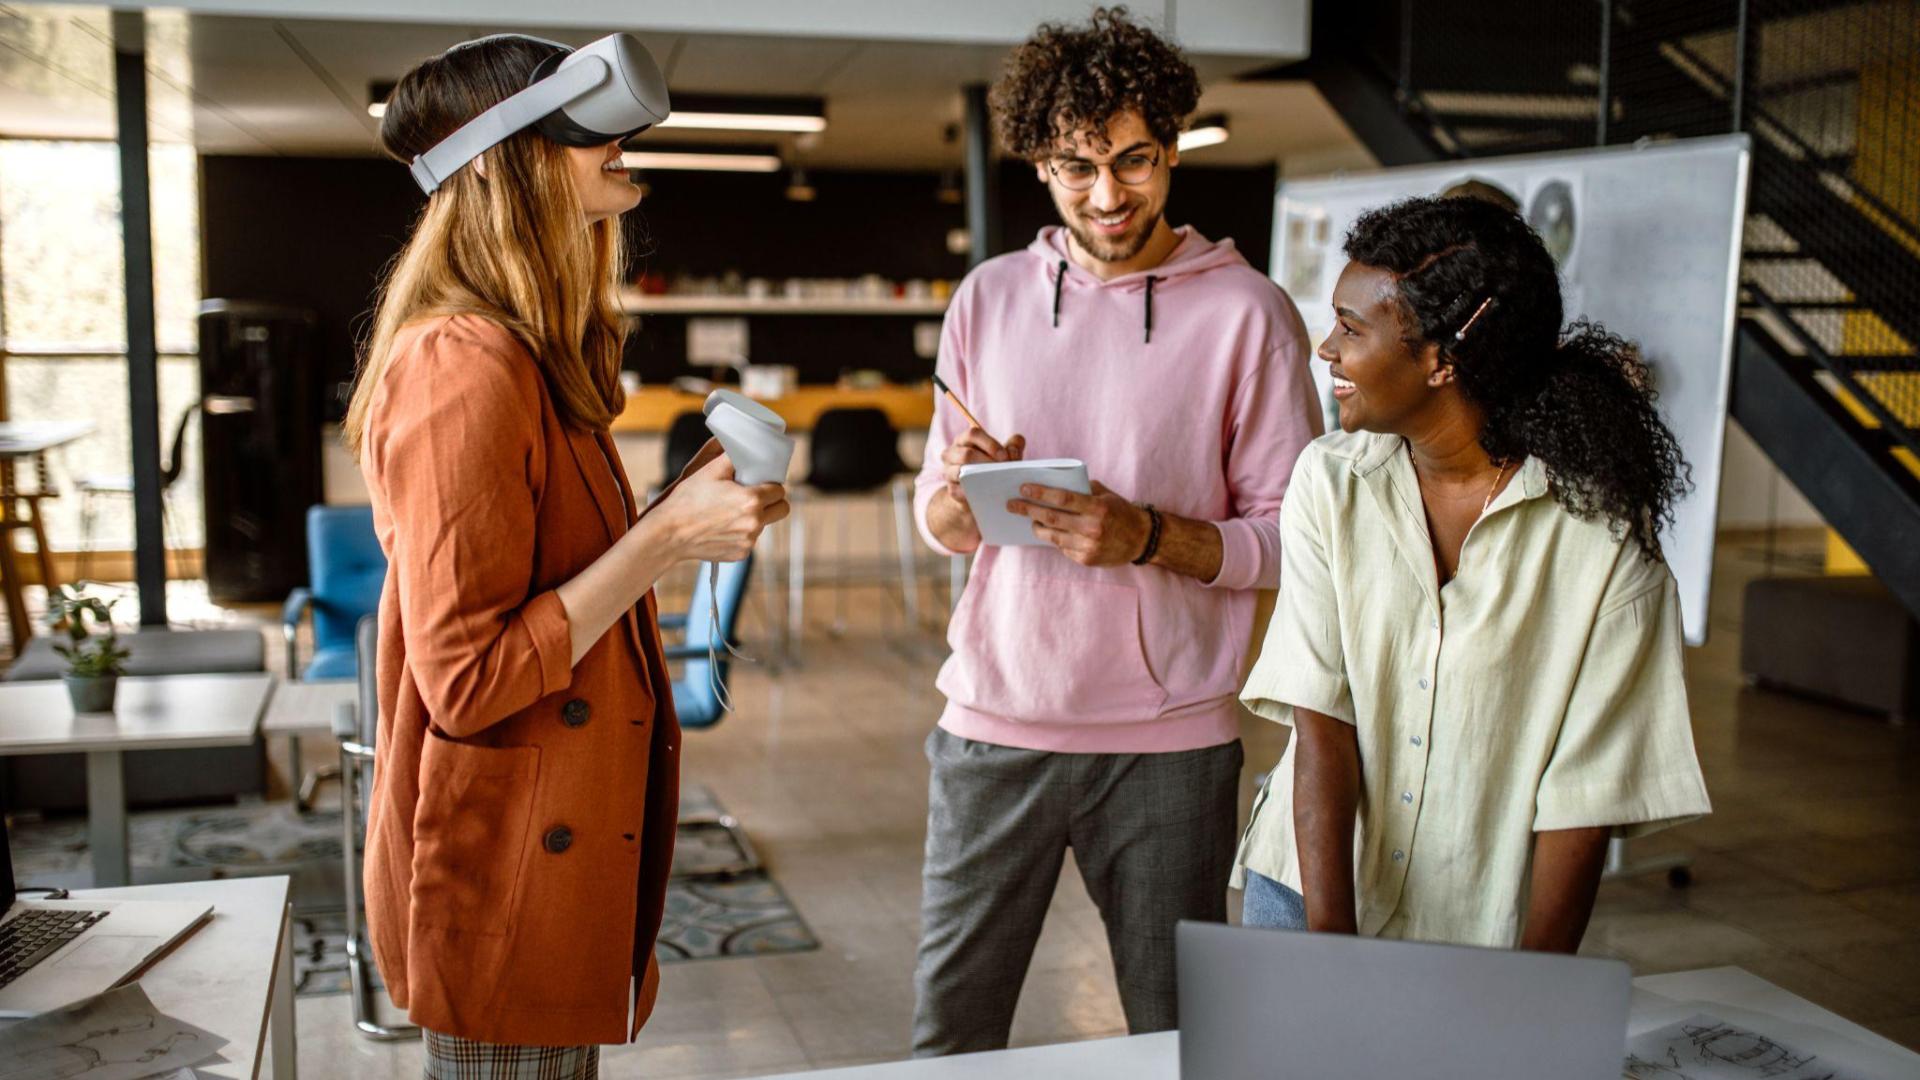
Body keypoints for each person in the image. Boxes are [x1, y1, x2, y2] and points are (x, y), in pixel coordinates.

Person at [343, 35, 788, 1077]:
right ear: (515, 161)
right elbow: (469, 678)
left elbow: (555, 574)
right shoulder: (464, 367)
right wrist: (670, 537)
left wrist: (683, 506)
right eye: (594, 131)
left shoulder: (531, 352)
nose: (625, 147)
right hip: (500, 865)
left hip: (549, 845)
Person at [911, 7, 1322, 1055]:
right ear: (1039, 164)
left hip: (1171, 742)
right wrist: (960, 489)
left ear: (1173, 146)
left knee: (1182, 1040)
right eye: (1073, 167)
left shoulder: (1249, 314)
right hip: (994, 724)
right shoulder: (987, 299)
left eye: (1134, 162)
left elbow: (1293, 542)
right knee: (950, 1041)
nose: (1107, 196)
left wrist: (1148, 537)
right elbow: (941, 526)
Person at [1232, 195, 1711, 950]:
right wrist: (1329, 952)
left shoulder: (1600, 535)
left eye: (1352, 330)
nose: (1327, 349)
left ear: (1441, 360)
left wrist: (1528, 990)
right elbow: (1321, 719)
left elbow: (1584, 793)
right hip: (1309, 895)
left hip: (1478, 926)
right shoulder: (1329, 481)